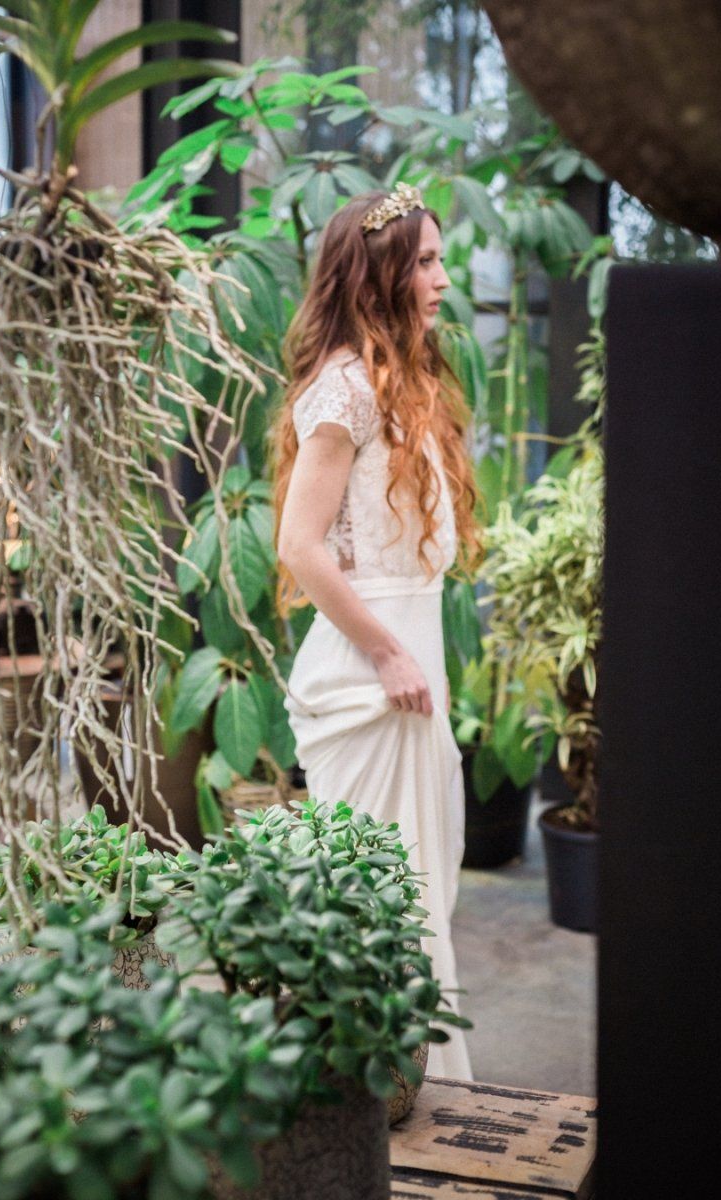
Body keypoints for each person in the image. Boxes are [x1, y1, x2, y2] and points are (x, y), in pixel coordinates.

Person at [273, 182, 481, 1079]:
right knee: (382, 906)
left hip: (410, 659)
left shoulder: (404, 385)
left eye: (439, 260)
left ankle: (410, 1097)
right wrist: (389, 651)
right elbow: (299, 545)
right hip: (370, 675)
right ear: (381, 274)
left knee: (422, 894)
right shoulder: (345, 392)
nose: (442, 279)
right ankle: (371, 1101)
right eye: (425, 262)